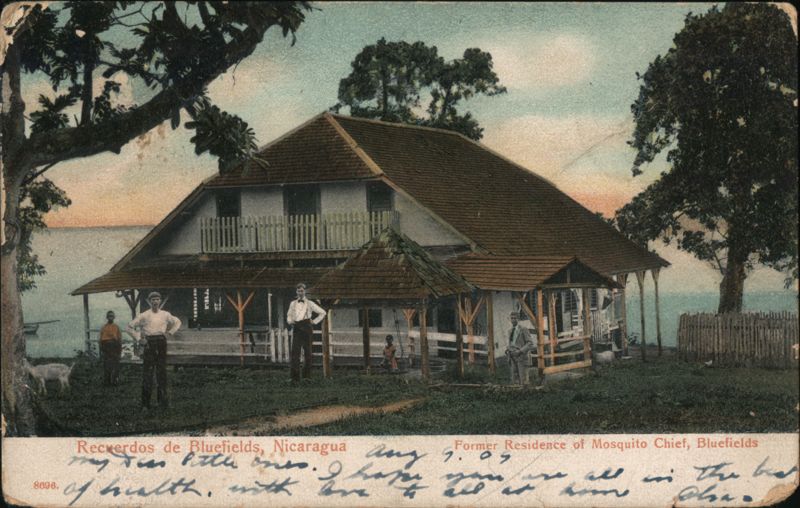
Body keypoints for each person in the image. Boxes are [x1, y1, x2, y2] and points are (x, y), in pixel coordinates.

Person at [127, 292, 181, 409]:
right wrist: (138, 338)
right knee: (148, 373)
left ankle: (162, 403)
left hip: (161, 342)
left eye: (157, 299)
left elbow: (177, 322)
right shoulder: (144, 315)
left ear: (160, 301)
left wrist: (170, 332)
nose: (155, 302)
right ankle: (145, 404)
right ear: (149, 301)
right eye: (153, 300)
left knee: (161, 373)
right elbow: (129, 326)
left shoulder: (165, 314)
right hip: (149, 343)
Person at [286, 283, 326, 382]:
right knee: (295, 352)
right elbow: (289, 315)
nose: (300, 292)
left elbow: (323, 312)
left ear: (305, 292)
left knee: (308, 352)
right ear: (296, 292)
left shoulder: (310, 303)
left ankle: (306, 377)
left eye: (302, 290)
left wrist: (314, 321)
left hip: (307, 327)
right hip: (297, 327)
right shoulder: (292, 303)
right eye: (299, 291)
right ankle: (294, 378)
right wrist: (290, 321)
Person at [506, 311, 534, 386]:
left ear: (518, 319)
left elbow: (530, 343)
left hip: (522, 357)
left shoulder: (523, 329)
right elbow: (511, 343)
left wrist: (520, 351)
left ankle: (526, 394)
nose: (513, 320)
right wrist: (508, 350)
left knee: (523, 380)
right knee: (515, 380)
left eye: (515, 318)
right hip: (513, 358)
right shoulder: (510, 331)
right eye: (511, 318)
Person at [99, 310, 122, 386]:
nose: (110, 318)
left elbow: (119, 338)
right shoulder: (104, 327)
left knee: (116, 365)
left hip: (114, 347)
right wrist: (102, 349)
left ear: (114, 317)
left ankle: (115, 381)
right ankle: (107, 381)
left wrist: (119, 350)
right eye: (109, 316)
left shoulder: (116, 327)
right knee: (107, 365)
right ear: (107, 317)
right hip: (106, 347)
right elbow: (101, 339)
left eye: (112, 316)